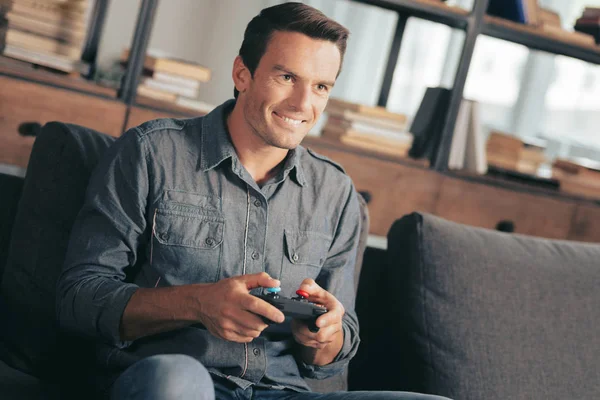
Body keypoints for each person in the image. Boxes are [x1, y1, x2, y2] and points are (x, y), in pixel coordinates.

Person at [57, 2, 451, 400]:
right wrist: (197, 304)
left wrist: (324, 336)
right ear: (242, 74)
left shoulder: (337, 193)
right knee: (177, 383)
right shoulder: (149, 154)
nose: (302, 104)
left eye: (320, 87)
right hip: (178, 381)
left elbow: (337, 349)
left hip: (285, 392)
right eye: (286, 77)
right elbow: (79, 298)